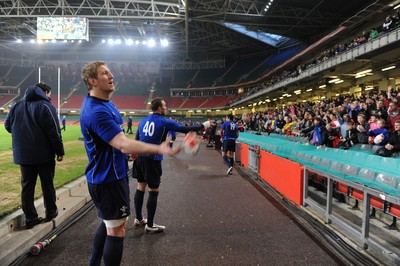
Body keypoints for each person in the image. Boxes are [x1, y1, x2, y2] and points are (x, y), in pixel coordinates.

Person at [80, 61, 180, 266]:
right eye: (104, 73)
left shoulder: (105, 104)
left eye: (109, 71)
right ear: (92, 81)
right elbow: (123, 145)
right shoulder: (97, 111)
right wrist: (159, 148)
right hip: (108, 178)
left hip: (108, 175)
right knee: (117, 229)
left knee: (109, 222)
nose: (111, 75)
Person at [132, 98, 212, 233]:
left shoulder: (143, 121)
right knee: (153, 190)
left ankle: (139, 218)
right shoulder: (164, 121)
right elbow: (185, 129)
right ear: (159, 108)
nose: (166, 107)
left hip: (140, 158)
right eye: (164, 105)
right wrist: (204, 125)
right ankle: (150, 224)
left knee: (140, 186)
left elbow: (137, 139)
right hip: (153, 159)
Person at [5, 83, 64, 229]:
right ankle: (51, 212)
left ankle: (30, 218)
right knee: (47, 184)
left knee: (27, 187)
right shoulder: (46, 106)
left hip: (23, 154)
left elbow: (8, 126)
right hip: (44, 154)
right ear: (45, 92)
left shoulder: (16, 105)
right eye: (49, 93)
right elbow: (54, 132)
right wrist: (60, 151)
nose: (50, 96)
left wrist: (22, 134)